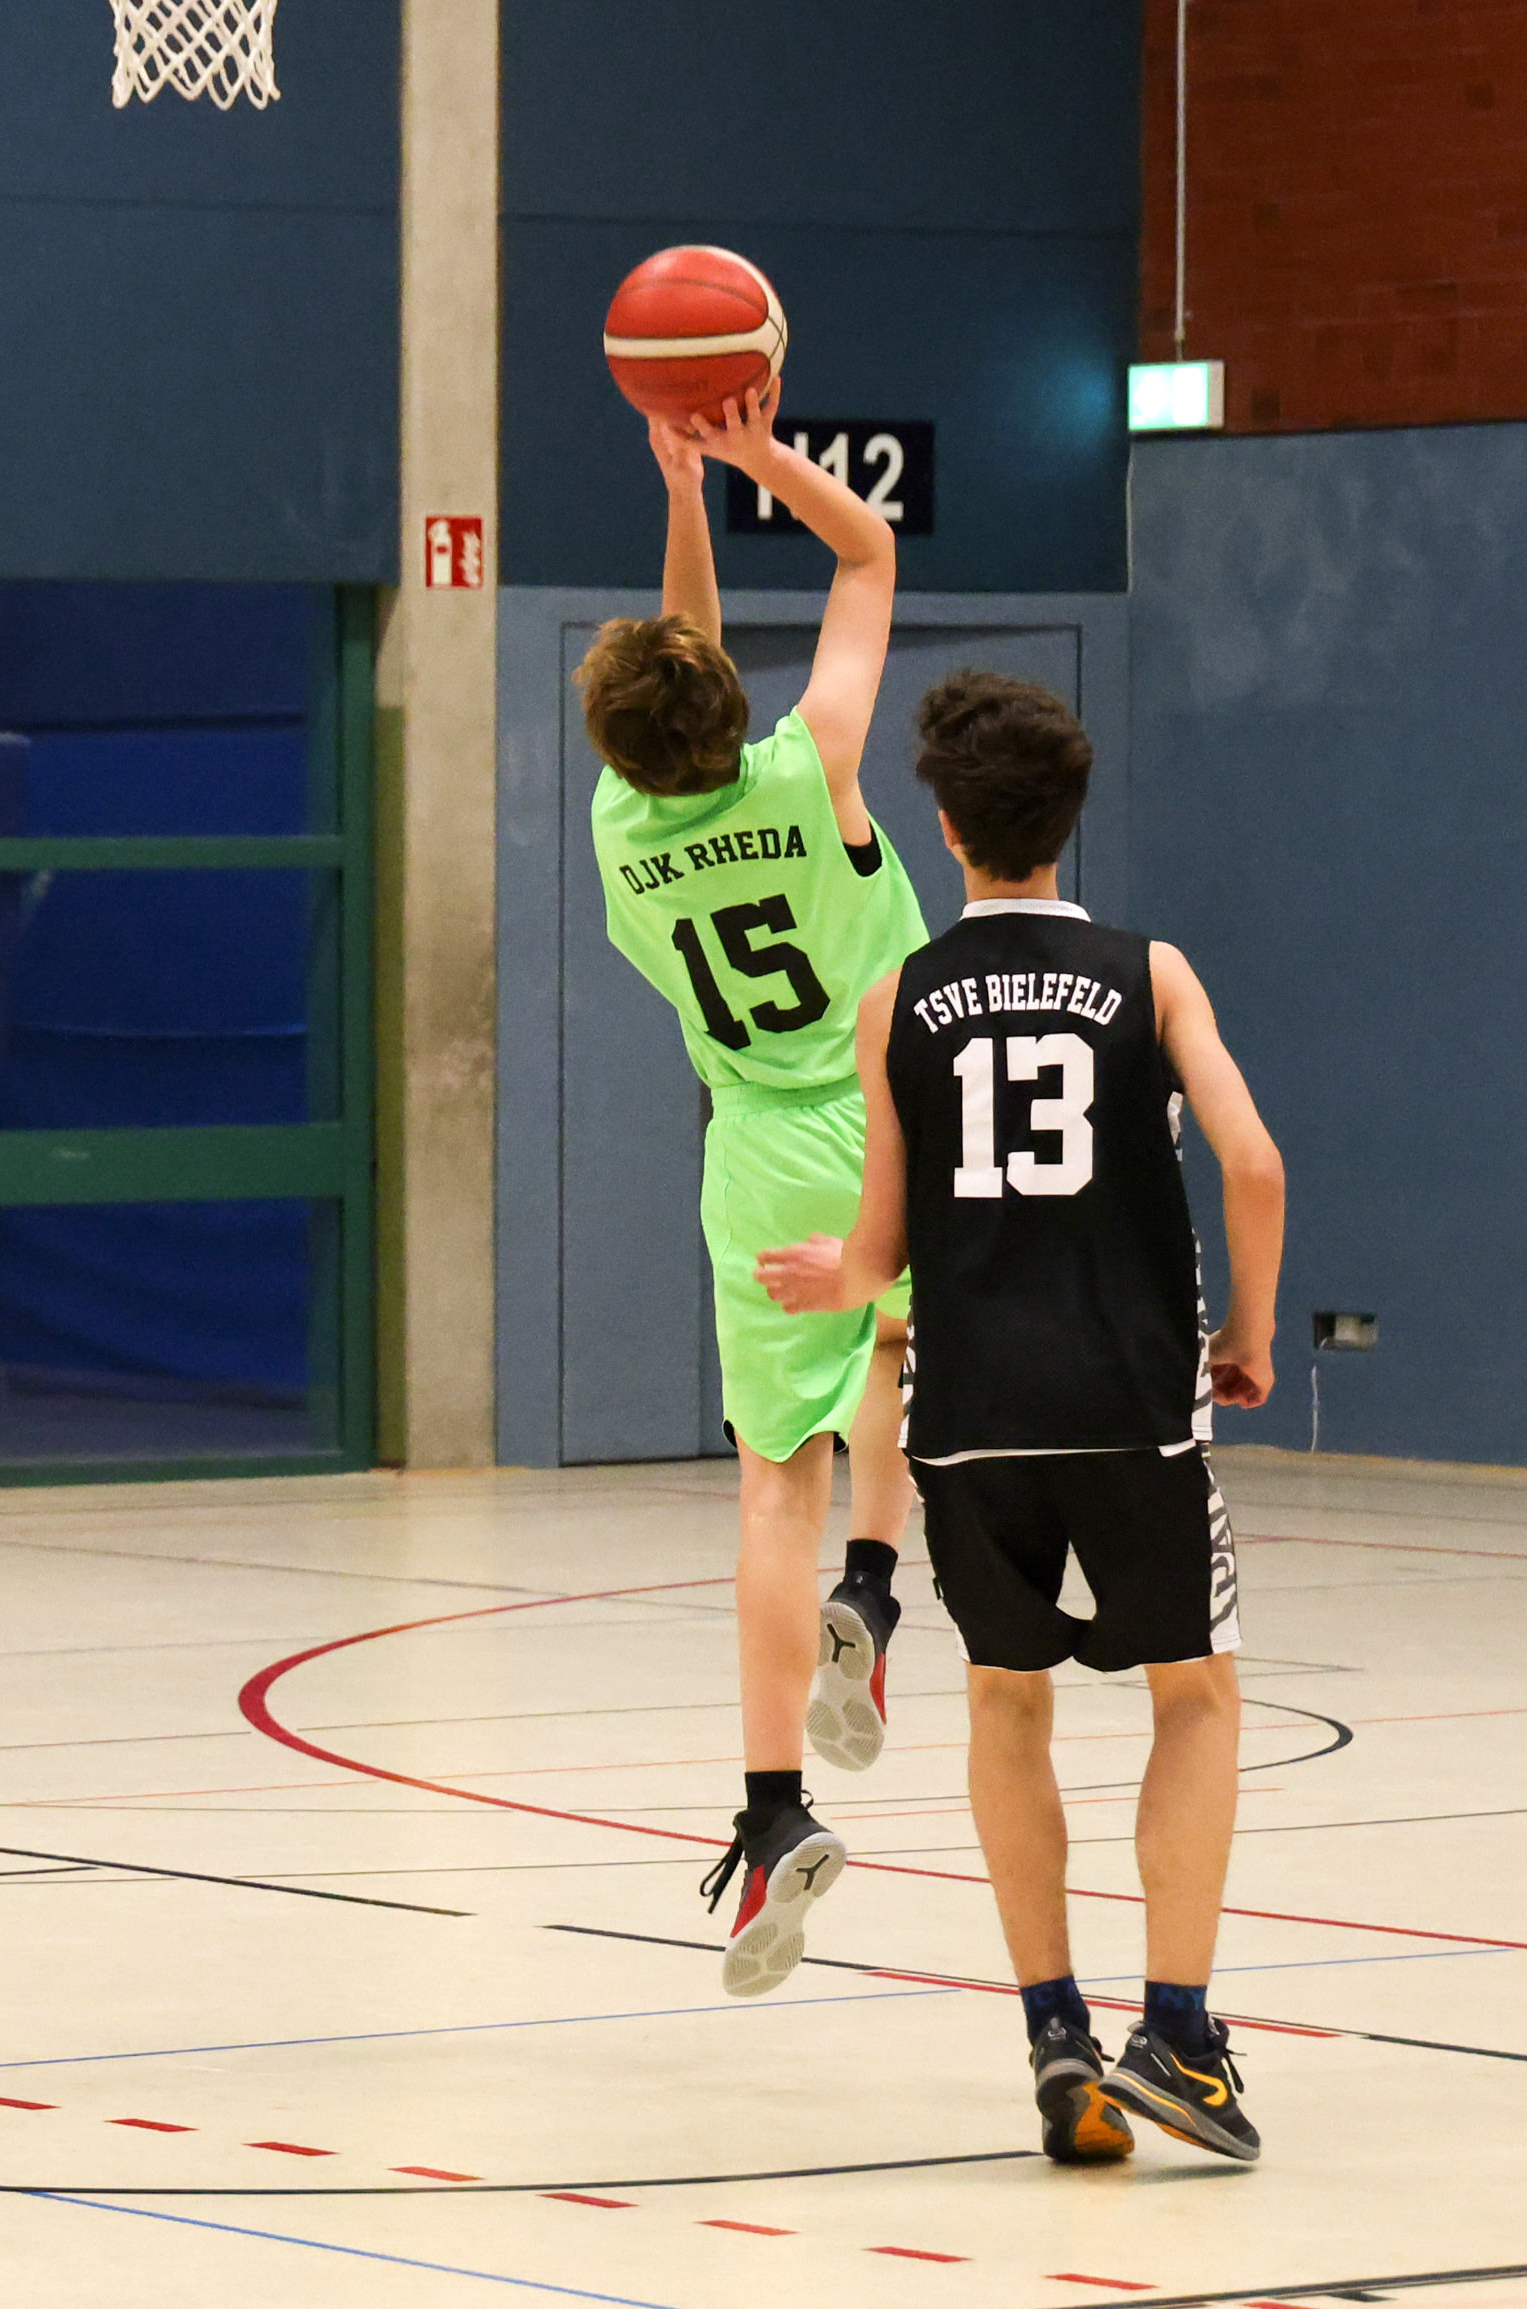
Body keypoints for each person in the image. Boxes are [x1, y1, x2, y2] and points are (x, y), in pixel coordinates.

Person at [760, 671, 1288, 2167]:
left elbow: (879, 1254)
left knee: (1006, 1701)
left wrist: (832, 1275)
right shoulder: (1151, 973)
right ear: (1071, 816)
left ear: (943, 827)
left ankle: (1056, 2033)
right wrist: (1246, 1333)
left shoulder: (897, 1000)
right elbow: (1252, 1164)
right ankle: (1174, 2033)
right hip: (1131, 1407)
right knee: (1193, 1696)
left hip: (970, 1412)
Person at [573, 382, 927, 2001]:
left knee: (766, 1480)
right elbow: (867, 555)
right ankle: (878, 1588)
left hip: (760, 1144)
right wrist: (745, 454)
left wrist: (676, 499)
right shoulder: (815, 763)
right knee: (894, 1348)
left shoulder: (618, 828)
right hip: (897, 1105)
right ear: (732, 709)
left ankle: (773, 1805)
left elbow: (681, 665)